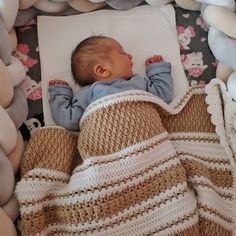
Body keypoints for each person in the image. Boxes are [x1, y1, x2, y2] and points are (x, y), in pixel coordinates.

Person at [48, 35, 174, 131]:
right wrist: (59, 95)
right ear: (102, 70)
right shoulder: (88, 94)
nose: (130, 55)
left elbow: (163, 95)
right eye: (122, 53)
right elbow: (69, 120)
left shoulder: (137, 82)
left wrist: (157, 69)